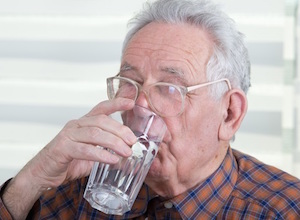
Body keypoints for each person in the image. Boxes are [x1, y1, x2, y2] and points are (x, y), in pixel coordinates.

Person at [1, 0, 300, 219]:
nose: (141, 106)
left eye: (170, 88)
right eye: (129, 82)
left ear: (229, 113)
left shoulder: (286, 209)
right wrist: (31, 181)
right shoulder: (72, 193)